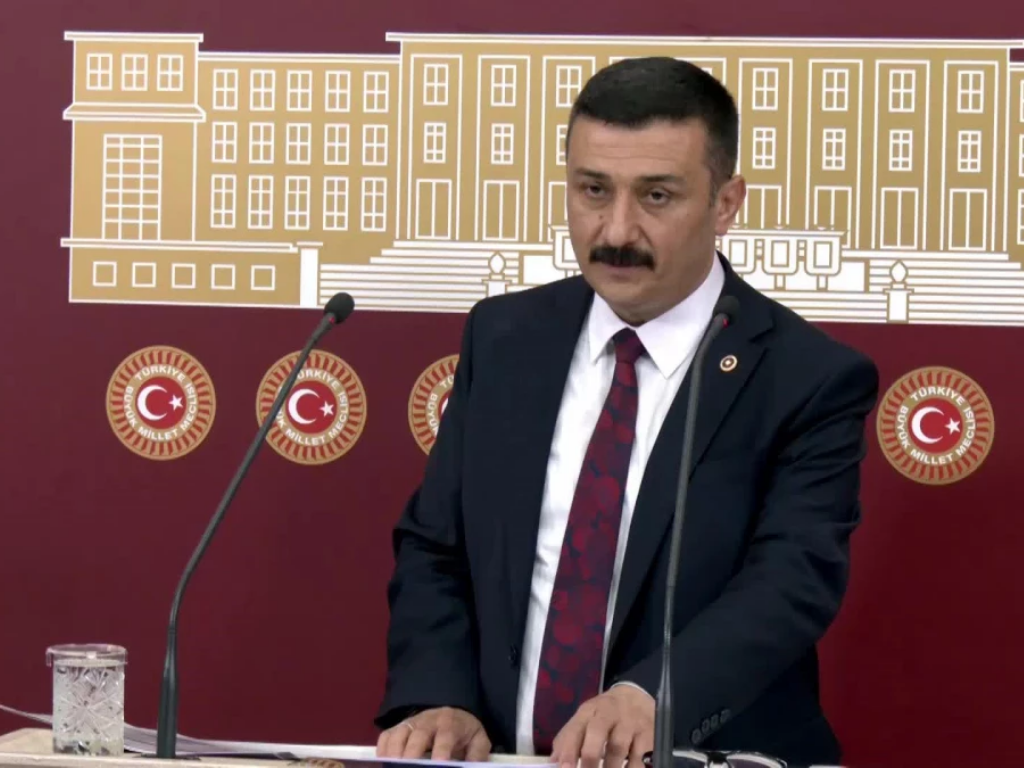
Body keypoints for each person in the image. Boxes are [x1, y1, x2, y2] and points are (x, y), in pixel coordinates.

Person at [374, 56, 879, 768]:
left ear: (726, 204)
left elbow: (790, 583)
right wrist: (438, 694)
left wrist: (654, 696)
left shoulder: (807, 377)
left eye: (657, 196)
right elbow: (438, 545)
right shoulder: (505, 338)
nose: (616, 229)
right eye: (593, 190)